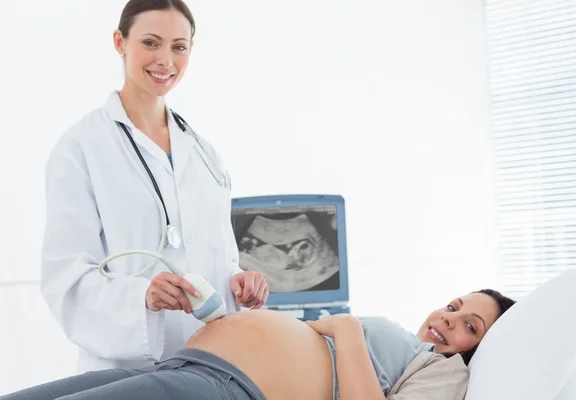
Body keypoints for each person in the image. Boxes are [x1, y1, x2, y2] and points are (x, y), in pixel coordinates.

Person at [40, 0, 269, 374]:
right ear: (120, 42)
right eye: (150, 42)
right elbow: (66, 279)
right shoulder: (81, 148)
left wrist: (240, 282)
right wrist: (141, 297)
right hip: (126, 372)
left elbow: (219, 256)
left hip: (212, 366)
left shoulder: (204, 153)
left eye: (178, 46)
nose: (166, 59)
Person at [2, 289, 516, 399]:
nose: (450, 322)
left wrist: (347, 327)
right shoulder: (402, 339)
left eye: (470, 327)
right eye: (453, 308)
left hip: (227, 389)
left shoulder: (445, 372)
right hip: (187, 362)